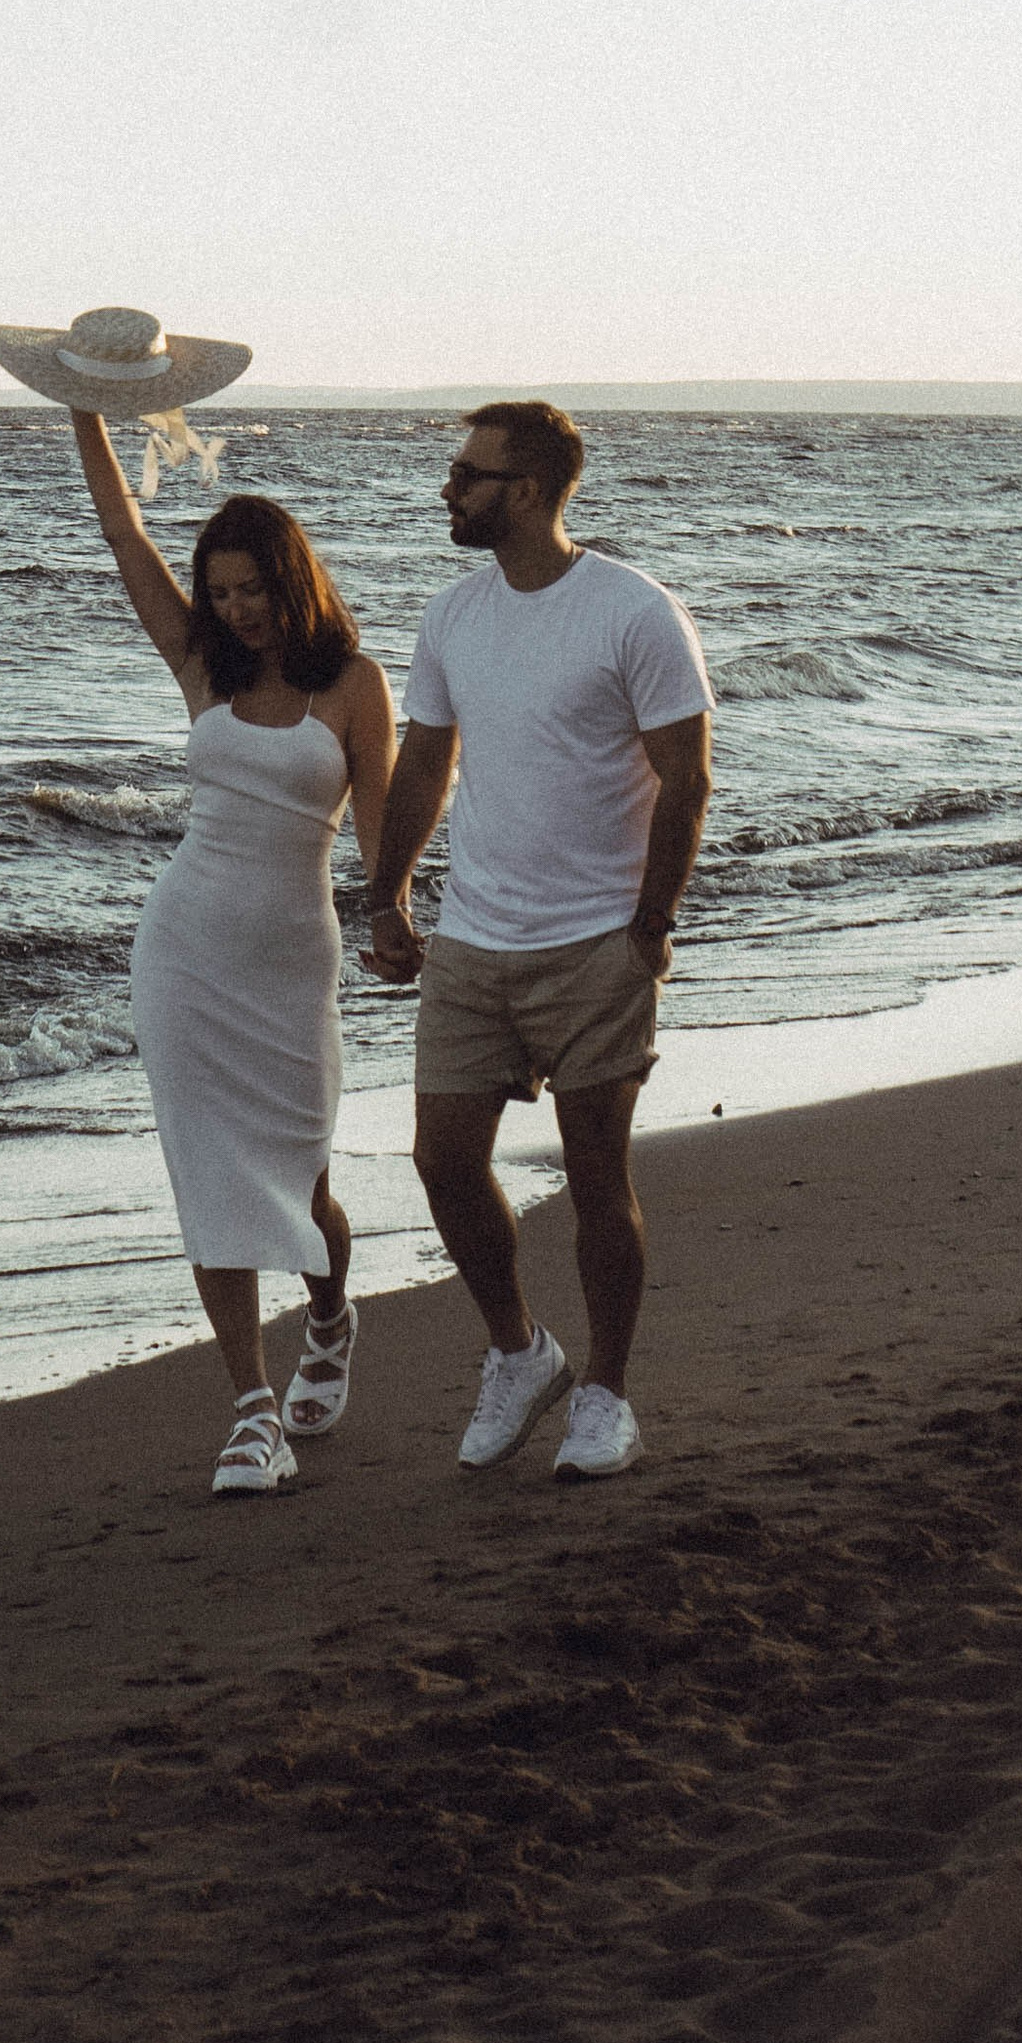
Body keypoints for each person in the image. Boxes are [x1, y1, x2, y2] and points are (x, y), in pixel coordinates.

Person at [362, 400, 713, 1480]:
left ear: (524, 491)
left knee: (596, 1176)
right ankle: (519, 1353)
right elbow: (426, 763)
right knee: (443, 1161)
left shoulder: (632, 611)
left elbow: (686, 776)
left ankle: (606, 1394)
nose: (447, 488)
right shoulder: (453, 615)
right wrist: (387, 894)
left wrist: (649, 928)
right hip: (473, 941)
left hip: (596, 943)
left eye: (467, 474)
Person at [70, 412, 395, 1496]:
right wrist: (82, 406)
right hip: (185, 951)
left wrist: (396, 914)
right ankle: (253, 1412)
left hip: (293, 961)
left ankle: (330, 1315)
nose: (237, 608)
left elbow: (381, 831)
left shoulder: (354, 685)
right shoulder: (201, 665)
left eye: (253, 588)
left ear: (291, 580)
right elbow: (124, 535)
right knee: (209, 1173)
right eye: (220, 592)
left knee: (303, 1182)